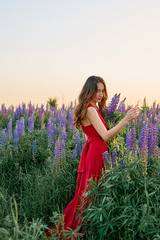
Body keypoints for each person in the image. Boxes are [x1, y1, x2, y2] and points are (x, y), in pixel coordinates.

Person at [46, 76, 140, 239]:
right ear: (89, 90)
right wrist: (126, 119)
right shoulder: (90, 109)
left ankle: (84, 231)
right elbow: (105, 135)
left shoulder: (89, 108)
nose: (101, 94)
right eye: (97, 90)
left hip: (94, 151)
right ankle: (80, 232)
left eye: (103, 91)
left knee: (87, 193)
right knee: (93, 194)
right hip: (97, 152)